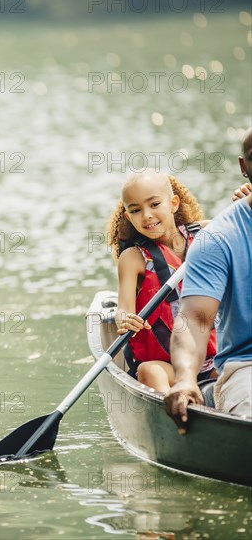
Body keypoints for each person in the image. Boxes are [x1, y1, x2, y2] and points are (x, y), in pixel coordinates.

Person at [165, 127, 252, 431]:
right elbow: (195, 321)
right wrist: (186, 378)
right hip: (247, 369)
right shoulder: (218, 238)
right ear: (245, 167)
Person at [108, 169, 217, 393]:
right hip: (169, 366)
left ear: (174, 203)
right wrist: (126, 320)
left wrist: (246, 199)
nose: (146, 215)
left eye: (154, 204)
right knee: (148, 371)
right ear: (128, 216)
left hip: (217, 358)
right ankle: (176, 414)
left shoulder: (209, 233)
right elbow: (123, 309)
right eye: (136, 210)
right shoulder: (133, 258)